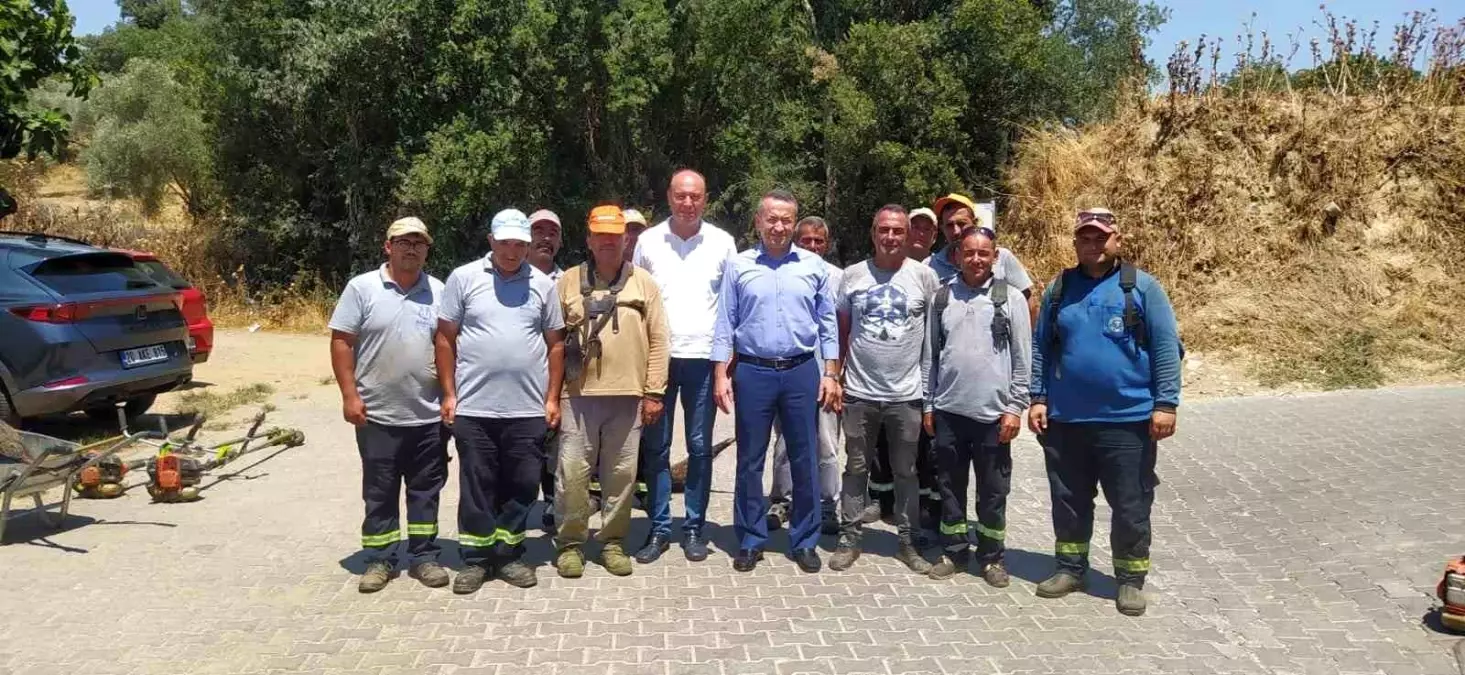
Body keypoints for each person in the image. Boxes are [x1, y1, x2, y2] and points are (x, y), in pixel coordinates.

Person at [1028, 207, 1182, 616]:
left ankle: (1130, 579)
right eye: (1085, 238)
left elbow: (1167, 348)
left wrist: (1165, 404)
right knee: (1069, 500)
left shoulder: (1143, 288)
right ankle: (1070, 567)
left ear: (1117, 240)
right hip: (1067, 421)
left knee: (1131, 504)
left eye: (1100, 237)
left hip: (1127, 421)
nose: (1093, 244)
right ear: (1076, 242)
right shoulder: (1059, 289)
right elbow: (1042, 346)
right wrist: (1038, 397)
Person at [436, 208, 566, 593]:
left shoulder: (542, 284)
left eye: (520, 244)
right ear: (491, 241)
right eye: (506, 242)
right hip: (475, 407)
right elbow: (445, 338)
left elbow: (556, 345)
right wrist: (448, 394)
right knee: (477, 485)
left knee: (522, 484)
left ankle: (508, 555)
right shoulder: (463, 279)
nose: (513, 250)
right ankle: (476, 560)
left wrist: (552, 398)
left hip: (527, 409)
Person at [712, 189, 841, 573]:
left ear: (794, 223)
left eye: (786, 220)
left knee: (805, 457)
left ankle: (804, 540)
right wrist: (721, 374)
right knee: (750, 459)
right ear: (758, 221)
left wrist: (831, 372)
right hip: (753, 372)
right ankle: (751, 538)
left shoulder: (814, 266)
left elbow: (828, 323)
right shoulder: (739, 266)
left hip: (802, 370)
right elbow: (725, 324)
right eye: (772, 218)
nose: (779, 226)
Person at [328, 217, 450, 593]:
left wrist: (449, 395)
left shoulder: (440, 291)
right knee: (379, 491)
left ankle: (424, 557)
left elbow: (448, 347)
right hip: (376, 414)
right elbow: (342, 342)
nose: (411, 248)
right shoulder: (361, 288)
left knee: (425, 491)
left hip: (427, 416)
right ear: (388, 246)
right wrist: (350, 396)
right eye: (403, 242)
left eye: (419, 242)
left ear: (427, 249)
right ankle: (380, 559)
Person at [552, 206, 669, 578]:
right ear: (588, 239)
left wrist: (654, 392)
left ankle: (613, 542)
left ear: (625, 240)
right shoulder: (568, 282)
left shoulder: (644, 283)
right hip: (577, 395)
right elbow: (552, 342)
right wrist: (551, 396)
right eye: (600, 235)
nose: (607, 241)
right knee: (572, 473)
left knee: (621, 475)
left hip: (629, 396)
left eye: (615, 236)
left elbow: (659, 339)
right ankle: (570, 544)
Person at [631, 170, 739, 564]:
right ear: (669, 197)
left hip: (703, 361)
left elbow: (730, 309)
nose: (688, 203)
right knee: (656, 449)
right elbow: (636, 301)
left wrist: (724, 367)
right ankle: (659, 528)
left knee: (699, 448)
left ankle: (695, 527)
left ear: (705, 199)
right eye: (681, 195)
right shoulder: (647, 242)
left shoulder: (723, 244)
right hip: (657, 362)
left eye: (695, 196)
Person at [830, 205, 940, 574]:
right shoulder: (852, 276)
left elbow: (932, 341)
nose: (890, 237)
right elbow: (842, 330)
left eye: (898, 231)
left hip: (906, 395)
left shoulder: (924, 278)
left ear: (908, 235)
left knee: (906, 471)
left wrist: (928, 394)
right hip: (860, 392)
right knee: (856, 467)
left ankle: (907, 541)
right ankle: (850, 536)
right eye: (884, 230)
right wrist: (835, 375)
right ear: (873, 233)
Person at [923, 227, 1031, 586]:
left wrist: (1015, 408)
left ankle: (991, 558)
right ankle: (954, 552)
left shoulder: (1010, 299)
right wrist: (928, 405)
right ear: (957, 255)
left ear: (995, 256)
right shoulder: (942, 298)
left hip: (993, 416)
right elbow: (931, 357)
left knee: (993, 491)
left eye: (984, 253)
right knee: (950, 486)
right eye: (969, 252)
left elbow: (1022, 359)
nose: (976, 259)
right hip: (949, 411)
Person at [863, 206, 942, 525]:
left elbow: (936, 325)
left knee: (920, 448)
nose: (920, 234)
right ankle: (880, 499)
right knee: (879, 447)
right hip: (872, 382)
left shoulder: (932, 271)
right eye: (916, 227)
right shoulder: (870, 270)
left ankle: (920, 508)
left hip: (916, 379)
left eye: (926, 229)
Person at [767, 216, 842, 536]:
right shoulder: (782, 271)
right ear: (796, 242)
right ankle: (782, 500)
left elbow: (842, 327)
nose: (813, 246)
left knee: (826, 441)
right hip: (790, 369)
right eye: (806, 240)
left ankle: (827, 504)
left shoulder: (838, 277)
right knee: (785, 439)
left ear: (827, 244)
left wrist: (836, 373)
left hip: (825, 370)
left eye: (819, 241)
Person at [527, 209, 565, 533]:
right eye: (538, 231)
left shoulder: (569, 282)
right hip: (517, 384)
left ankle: (552, 503)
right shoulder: (509, 275)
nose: (545, 238)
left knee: (554, 450)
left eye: (552, 233)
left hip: (557, 381)